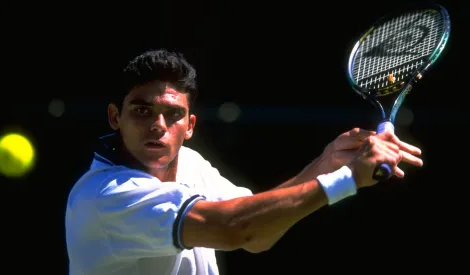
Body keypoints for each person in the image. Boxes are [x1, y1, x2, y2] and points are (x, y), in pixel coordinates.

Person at [65, 49, 423, 275]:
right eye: (142, 110)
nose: (158, 124)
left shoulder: (190, 163)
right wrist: (345, 180)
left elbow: (257, 234)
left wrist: (326, 163)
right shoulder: (105, 196)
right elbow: (236, 229)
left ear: (189, 126)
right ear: (115, 117)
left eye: (173, 114)